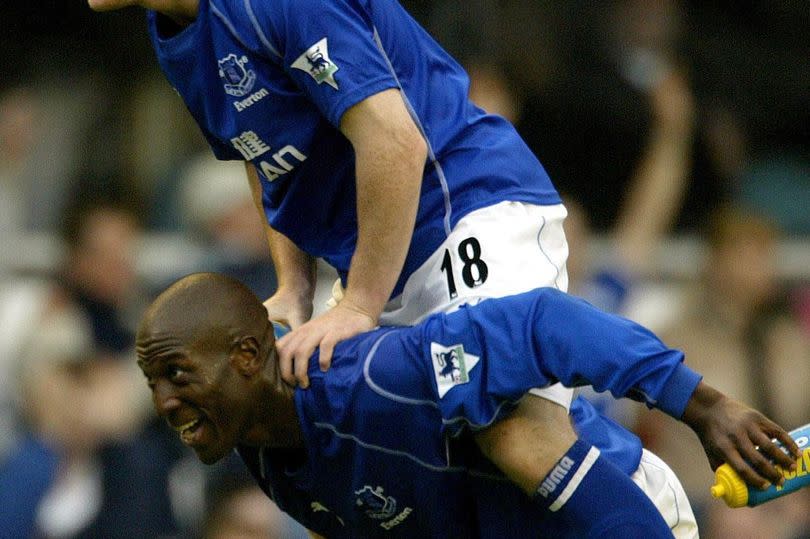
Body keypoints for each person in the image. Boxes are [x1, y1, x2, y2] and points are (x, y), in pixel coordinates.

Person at [88, 0, 578, 482]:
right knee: (351, 471)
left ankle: (649, 510)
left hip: (468, 211)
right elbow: (263, 154)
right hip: (384, 263)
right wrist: (293, 288)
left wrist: (359, 304)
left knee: (514, 435)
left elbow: (394, 140)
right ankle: (644, 489)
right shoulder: (172, 29)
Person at [136, 273, 799, 538]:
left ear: (249, 358)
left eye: (177, 373)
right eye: (153, 382)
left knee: (515, 434)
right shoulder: (263, 453)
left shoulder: (379, 376)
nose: (165, 400)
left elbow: (546, 324)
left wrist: (705, 407)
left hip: (617, 513)